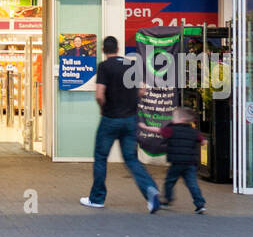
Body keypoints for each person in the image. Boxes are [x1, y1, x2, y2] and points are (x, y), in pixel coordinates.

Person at [80, 36, 160, 213]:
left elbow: (100, 94)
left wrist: (103, 108)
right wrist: (130, 101)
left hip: (110, 119)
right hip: (130, 120)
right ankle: (150, 190)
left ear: (103, 49)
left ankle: (97, 198)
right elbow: (142, 90)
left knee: (101, 157)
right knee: (131, 158)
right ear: (118, 48)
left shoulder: (104, 66)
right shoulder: (131, 65)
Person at [159, 107, 207, 213]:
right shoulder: (194, 131)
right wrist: (204, 142)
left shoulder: (171, 129)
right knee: (192, 183)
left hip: (176, 162)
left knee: (169, 181)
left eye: (174, 117)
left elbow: (160, 131)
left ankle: (167, 200)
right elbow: (202, 141)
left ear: (182, 119)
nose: (172, 119)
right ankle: (200, 204)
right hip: (190, 163)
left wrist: (144, 127)